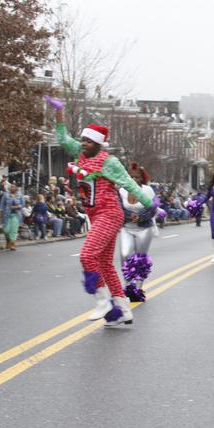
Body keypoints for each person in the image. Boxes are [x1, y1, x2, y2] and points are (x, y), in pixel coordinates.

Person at [52, 107, 151, 326]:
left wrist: (149, 205)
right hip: (94, 214)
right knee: (105, 264)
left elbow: (128, 183)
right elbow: (62, 138)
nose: (84, 143)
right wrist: (59, 113)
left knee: (87, 256)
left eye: (89, 141)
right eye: (83, 140)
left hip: (110, 213)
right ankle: (124, 310)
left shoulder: (109, 162)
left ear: (99, 144)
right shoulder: (80, 153)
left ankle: (103, 301)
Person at [119, 162, 159, 298]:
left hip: (143, 228)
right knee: (125, 255)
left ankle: (139, 288)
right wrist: (129, 216)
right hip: (127, 228)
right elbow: (118, 208)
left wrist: (140, 217)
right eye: (132, 177)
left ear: (142, 178)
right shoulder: (122, 190)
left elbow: (153, 209)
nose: (135, 180)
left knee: (140, 259)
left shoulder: (148, 191)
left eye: (137, 177)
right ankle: (129, 286)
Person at [0, 184, 24, 250]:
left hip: (16, 214)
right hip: (6, 215)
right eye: (11, 186)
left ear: (16, 188)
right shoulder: (5, 194)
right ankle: (8, 241)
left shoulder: (20, 195)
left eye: (13, 186)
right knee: (6, 230)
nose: (11, 187)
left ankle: (13, 244)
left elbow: (23, 204)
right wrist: (0, 212)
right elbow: (1, 204)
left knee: (14, 230)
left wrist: (17, 206)